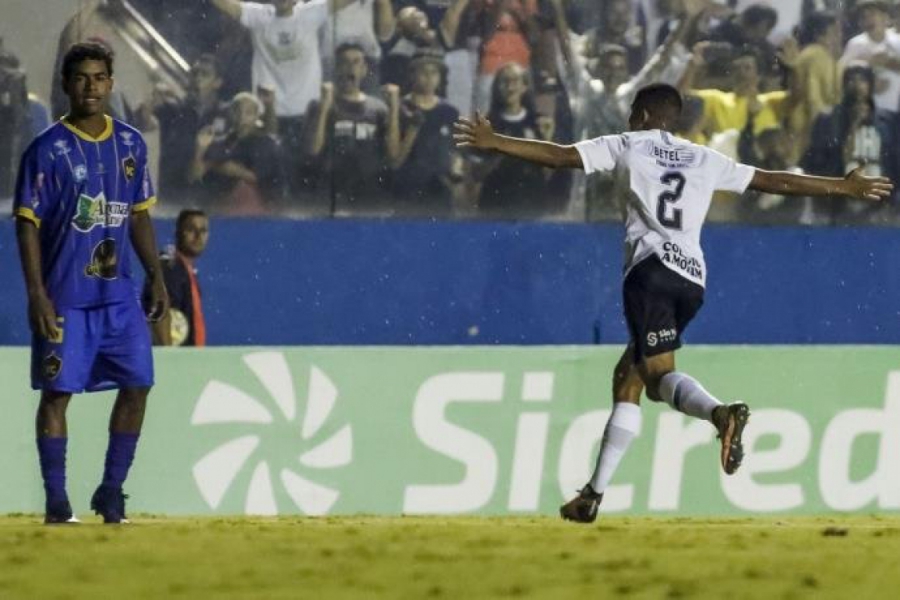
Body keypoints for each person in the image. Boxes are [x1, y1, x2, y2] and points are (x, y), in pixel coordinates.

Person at [453, 83, 893, 523]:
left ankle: (721, 414)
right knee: (629, 376)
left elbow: (561, 155)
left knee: (659, 377)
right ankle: (592, 495)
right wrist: (844, 186)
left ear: (643, 115)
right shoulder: (703, 157)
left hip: (649, 272)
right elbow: (772, 181)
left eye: (631, 112)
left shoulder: (627, 144)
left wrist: (496, 142)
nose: (628, 118)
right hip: (692, 279)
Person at [13, 42, 169, 525]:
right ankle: (57, 500)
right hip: (66, 299)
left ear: (111, 82)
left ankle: (112, 490)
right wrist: (37, 292)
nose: (91, 87)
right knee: (58, 396)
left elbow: (139, 216)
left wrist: (155, 276)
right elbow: (27, 223)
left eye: (99, 77)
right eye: (81, 78)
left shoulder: (130, 144)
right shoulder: (45, 151)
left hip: (119, 297)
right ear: (66, 85)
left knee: (138, 385)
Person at [146, 210, 210, 347]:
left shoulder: (185, 269)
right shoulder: (170, 269)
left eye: (203, 230)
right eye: (191, 229)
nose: (198, 236)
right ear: (178, 233)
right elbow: (161, 314)